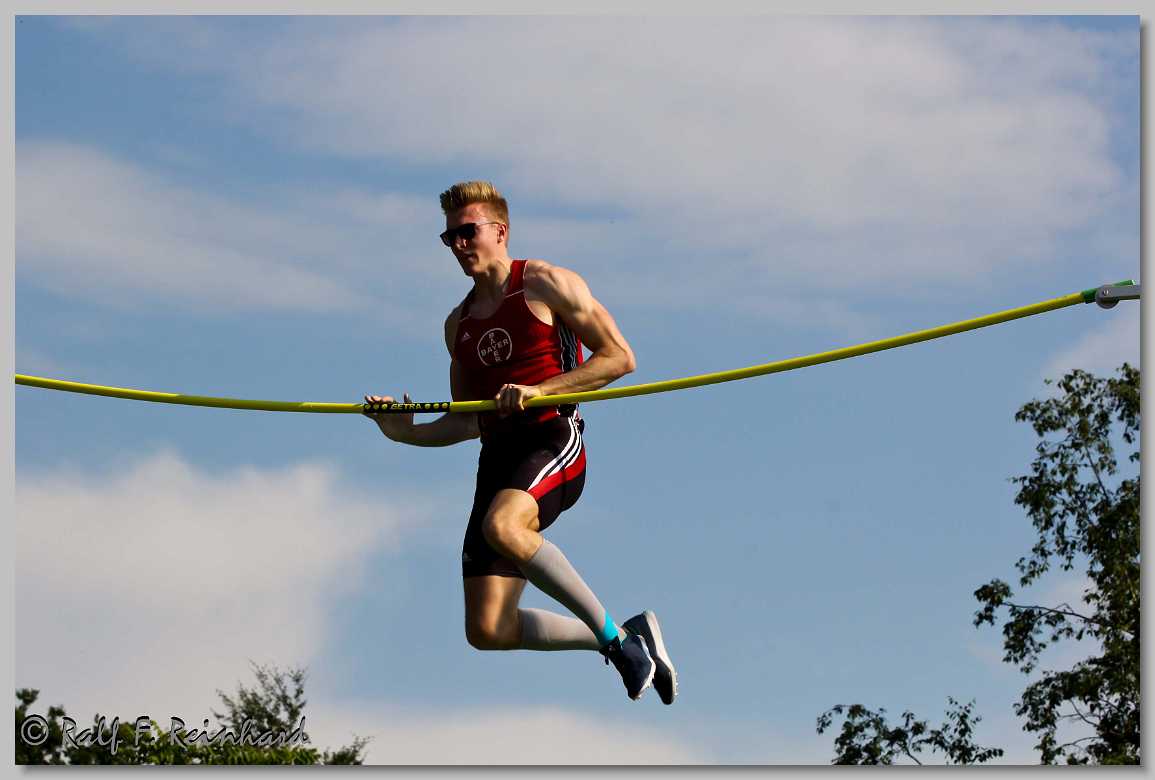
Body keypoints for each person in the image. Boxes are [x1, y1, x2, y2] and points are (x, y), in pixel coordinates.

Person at [364, 181, 676, 703]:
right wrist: (405, 434)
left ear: (500, 231)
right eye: (449, 237)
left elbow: (620, 358)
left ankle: (617, 643)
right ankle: (625, 637)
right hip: (498, 460)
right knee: (489, 628)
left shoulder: (547, 283)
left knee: (503, 527)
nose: (459, 244)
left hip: (553, 438)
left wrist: (540, 391)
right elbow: (469, 422)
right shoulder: (457, 325)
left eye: (468, 232)